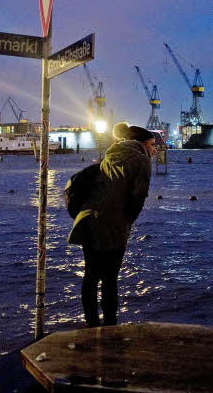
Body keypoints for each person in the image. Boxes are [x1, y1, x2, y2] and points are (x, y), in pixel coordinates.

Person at [68, 124, 156, 326]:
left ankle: (91, 325)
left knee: (91, 275)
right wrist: (127, 220)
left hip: (88, 219)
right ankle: (110, 327)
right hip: (112, 225)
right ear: (142, 144)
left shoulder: (110, 154)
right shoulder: (142, 160)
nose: (154, 149)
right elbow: (138, 196)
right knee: (110, 277)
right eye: (152, 144)